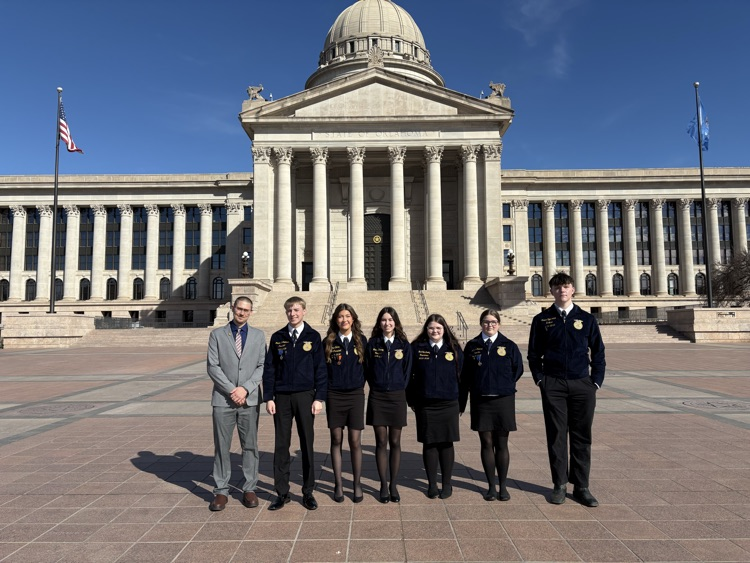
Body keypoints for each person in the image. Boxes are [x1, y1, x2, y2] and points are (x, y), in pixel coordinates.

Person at [528, 272, 606, 507]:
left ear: (573, 290)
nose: (562, 291)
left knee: (582, 437)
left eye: (566, 287)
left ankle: (582, 486)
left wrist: (595, 382)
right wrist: (541, 380)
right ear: (551, 291)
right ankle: (559, 484)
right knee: (557, 436)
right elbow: (533, 354)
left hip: (582, 384)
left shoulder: (587, 319)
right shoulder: (542, 320)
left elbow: (598, 352)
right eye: (557, 287)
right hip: (553, 384)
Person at [263, 296, 327, 511]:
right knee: (281, 445)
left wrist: (319, 398)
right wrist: (268, 397)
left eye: (297, 310)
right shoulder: (278, 337)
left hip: (305, 396)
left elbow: (321, 369)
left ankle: (308, 491)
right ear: (286, 312)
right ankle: (282, 492)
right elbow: (269, 369)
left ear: (304, 311)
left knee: (307, 443)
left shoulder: (313, 336)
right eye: (290, 310)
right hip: (281, 397)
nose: (293, 313)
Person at [206, 296, 267, 511]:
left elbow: (262, 366)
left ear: (251, 312)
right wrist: (233, 390)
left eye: (246, 310)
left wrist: (246, 388)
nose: (242, 313)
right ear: (233, 309)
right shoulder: (216, 335)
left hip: (249, 399)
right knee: (222, 446)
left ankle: (250, 487)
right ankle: (221, 490)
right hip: (223, 399)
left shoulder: (259, 336)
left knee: (250, 445)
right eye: (239, 309)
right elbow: (213, 367)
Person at [460, 309, 523, 502]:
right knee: (486, 443)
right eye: (486, 322)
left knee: (502, 443)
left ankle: (503, 486)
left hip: (503, 399)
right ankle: (491, 486)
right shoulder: (472, 346)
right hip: (481, 399)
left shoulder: (509, 345)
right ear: (481, 324)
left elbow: (517, 369)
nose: (490, 325)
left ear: (499, 324)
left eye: (494, 321)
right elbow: (466, 373)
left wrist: (503, 384)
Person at [408, 314, 464, 500]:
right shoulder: (416, 348)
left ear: (444, 329)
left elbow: (463, 378)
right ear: (426, 329)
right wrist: (412, 400)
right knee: (429, 443)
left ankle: (446, 484)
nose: (435, 331)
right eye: (431, 328)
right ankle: (432, 484)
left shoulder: (454, 349)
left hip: (449, 403)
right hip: (425, 403)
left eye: (438, 328)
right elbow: (409, 376)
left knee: (447, 443)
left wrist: (461, 404)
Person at [365, 307, 413, 503]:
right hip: (378, 396)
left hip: (396, 397)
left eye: (390, 320)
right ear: (379, 323)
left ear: (396, 322)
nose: (387, 323)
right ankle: (383, 485)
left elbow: (408, 371)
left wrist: (398, 386)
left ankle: (394, 484)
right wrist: (376, 384)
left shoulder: (404, 345)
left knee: (395, 442)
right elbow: (367, 368)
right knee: (381, 442)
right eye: (384, 320)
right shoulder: (372, 344)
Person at [324, 303, 367, 503]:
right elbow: (323, 371)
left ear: (353, 319)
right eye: (340, 316)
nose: (344, 320)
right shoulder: (328, 342)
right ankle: (338, 483)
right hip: (335, 395)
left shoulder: (362, 341)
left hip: (356, 395)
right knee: (336, 439)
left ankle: (357, 483)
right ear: (336, 320)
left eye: (347, 316)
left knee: (355, 441)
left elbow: (368, 369)